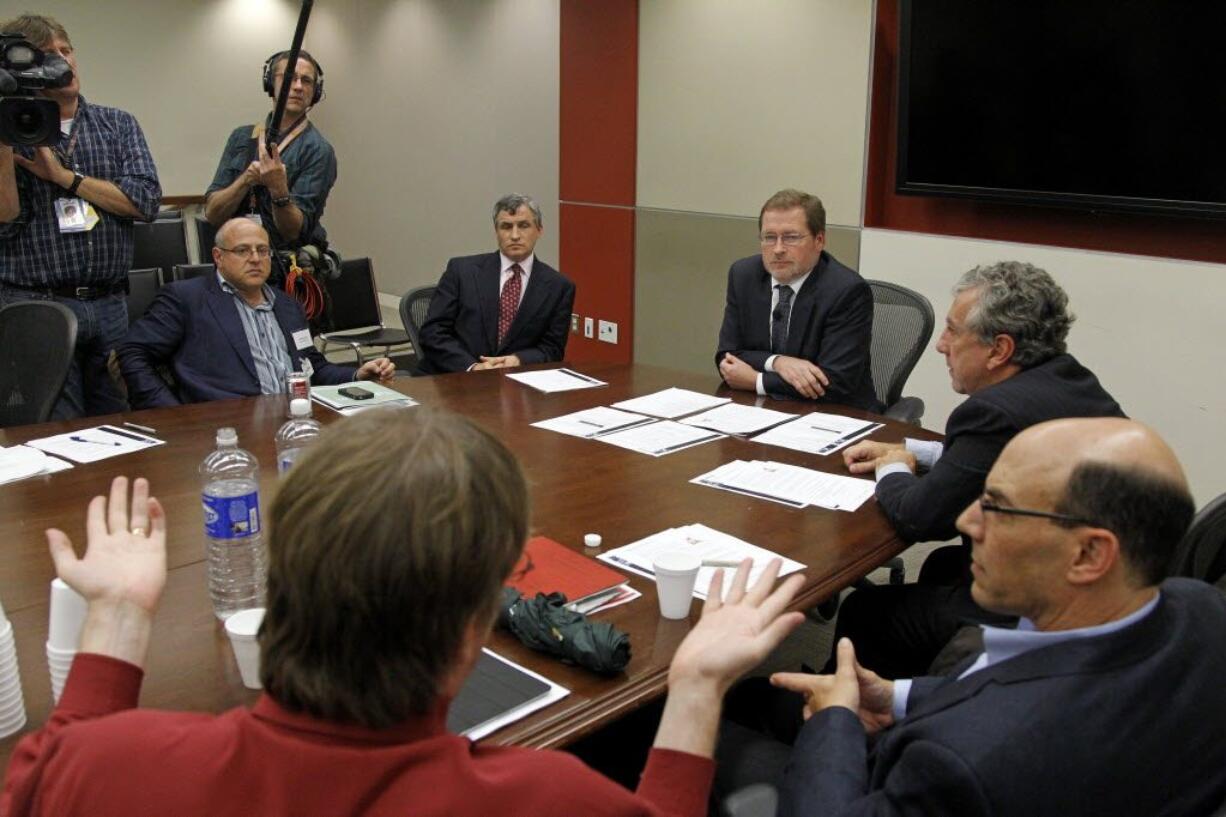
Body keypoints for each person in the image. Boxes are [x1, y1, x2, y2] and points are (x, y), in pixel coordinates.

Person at [2, 407, 807, 817]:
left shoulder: (118, 768)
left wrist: (116, 618)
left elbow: (47, 776)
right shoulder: (551, 797)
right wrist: (696, 685)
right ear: (469, 633)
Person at [764, 418, 1226, 816]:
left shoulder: (966, 760)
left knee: (743, 704)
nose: (967, 522)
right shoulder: (1201, 609)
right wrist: (897, 696)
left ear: (1088, 553)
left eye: (997, 507)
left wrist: (834, 721)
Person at [831, 261, 1124, 678]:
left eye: (952, 330)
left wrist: (894, 468)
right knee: (941, 568)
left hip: (1037, 611)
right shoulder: (1068, 379)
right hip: (1093, 589)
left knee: (867, 608)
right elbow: (999, 454)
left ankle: (852, 710)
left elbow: (920, 518)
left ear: (999, 349)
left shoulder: (992, 411)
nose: (941, 344)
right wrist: (913, 450)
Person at [0, 14, 161, 419]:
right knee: (51, 429)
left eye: (66, 51)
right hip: (38, 306)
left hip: (109, 304)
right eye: (48, 55)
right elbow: (6, 219)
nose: (63, 62)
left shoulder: (116, 124)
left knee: (119, 424)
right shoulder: (10, 132)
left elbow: (144, 201)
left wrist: (64, 178)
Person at [116, 218, 392, 408]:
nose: (256, 258)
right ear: (218, 256)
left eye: (262, 250)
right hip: (224, 426)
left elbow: (313, 369)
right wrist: (171, 412)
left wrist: (357, 375)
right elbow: (132, 353)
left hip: (296, 418)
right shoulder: (186, 298)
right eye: (242, 250)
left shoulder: (287, 306)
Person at [715, 189, 879, 411]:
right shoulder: (744, 275)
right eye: (769, 237)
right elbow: (729, 356)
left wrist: (756, 380)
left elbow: (834, 382)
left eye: (791, 237)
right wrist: (778, 362)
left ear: (819, 240)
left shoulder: (846, 291)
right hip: (762, 411)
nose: (779, 249)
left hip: (835, 415)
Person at [203, 50, 335, 277]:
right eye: (288, 78)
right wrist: (245, 180)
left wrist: (278, 190)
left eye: (306, 81)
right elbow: (213, 214)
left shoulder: (319, 150)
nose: (297, 86)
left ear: (315, 92)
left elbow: (293, 232)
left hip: (287, 271)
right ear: (269, 83)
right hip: (234, 266)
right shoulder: (242, 138)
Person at [417, 193, 575, 373]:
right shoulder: (461, 271)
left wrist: (517, 360)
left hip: (517, 383)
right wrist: (473, 367)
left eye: (523, 226)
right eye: (506, 227)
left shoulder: (559, 287)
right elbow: (432, 333)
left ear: (539, 230)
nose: (515, 235)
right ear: (496, 231)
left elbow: (552, 349)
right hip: (455, 378)